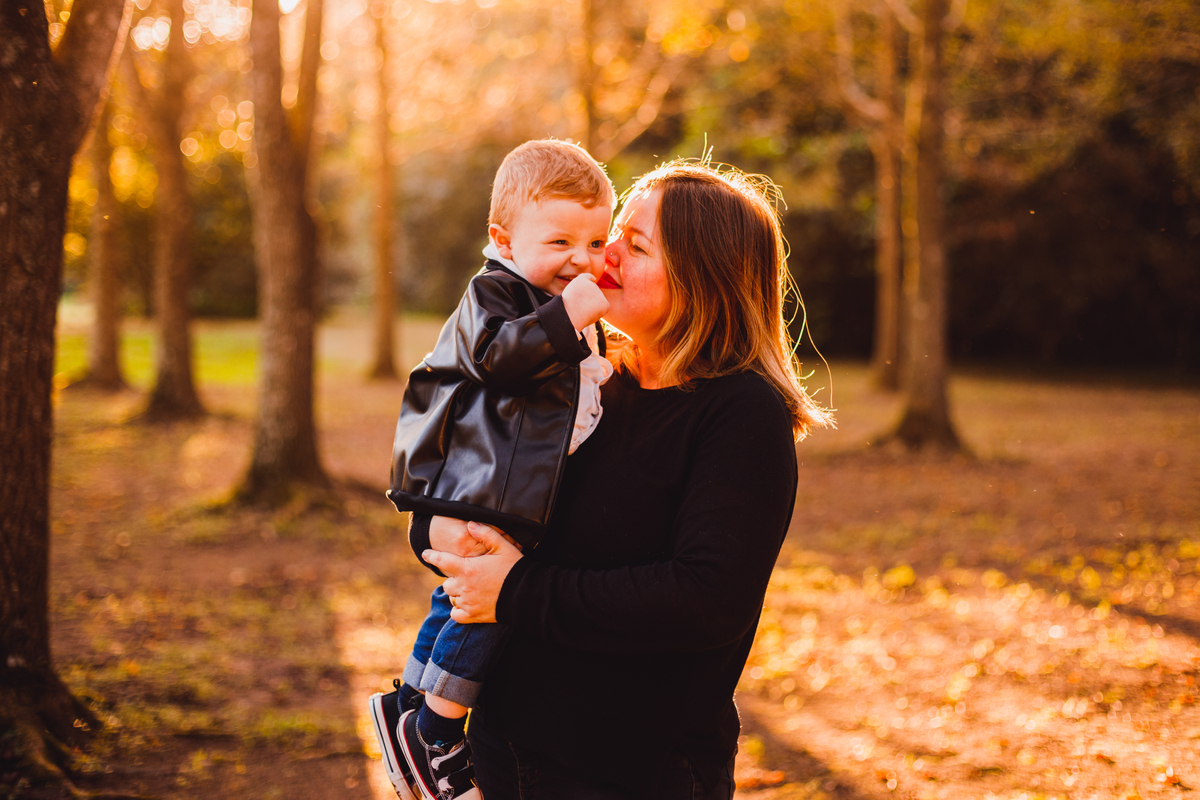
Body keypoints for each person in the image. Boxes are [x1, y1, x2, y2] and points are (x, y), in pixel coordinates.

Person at [420, 160, 833, 799]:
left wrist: (515, 589)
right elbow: (470, 477)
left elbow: (707, 599)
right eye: (616, 233)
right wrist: (443, 533)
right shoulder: (584, 376)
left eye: (634, 246)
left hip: (631, 772)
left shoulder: (741, 413)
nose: (603, 254)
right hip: (504, 755)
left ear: (702, 278)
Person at [368, 139, 616, 800]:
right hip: (473, 495)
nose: (581, 260)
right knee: (495, 606)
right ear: (502, 237)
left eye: (597, 243)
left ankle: (409, 703)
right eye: (560, 240)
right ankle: (438, 733)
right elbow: (501, 358)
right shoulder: (495, 293)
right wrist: (570, 319)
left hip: (500, 495)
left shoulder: (549, 304)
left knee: (459, 600)